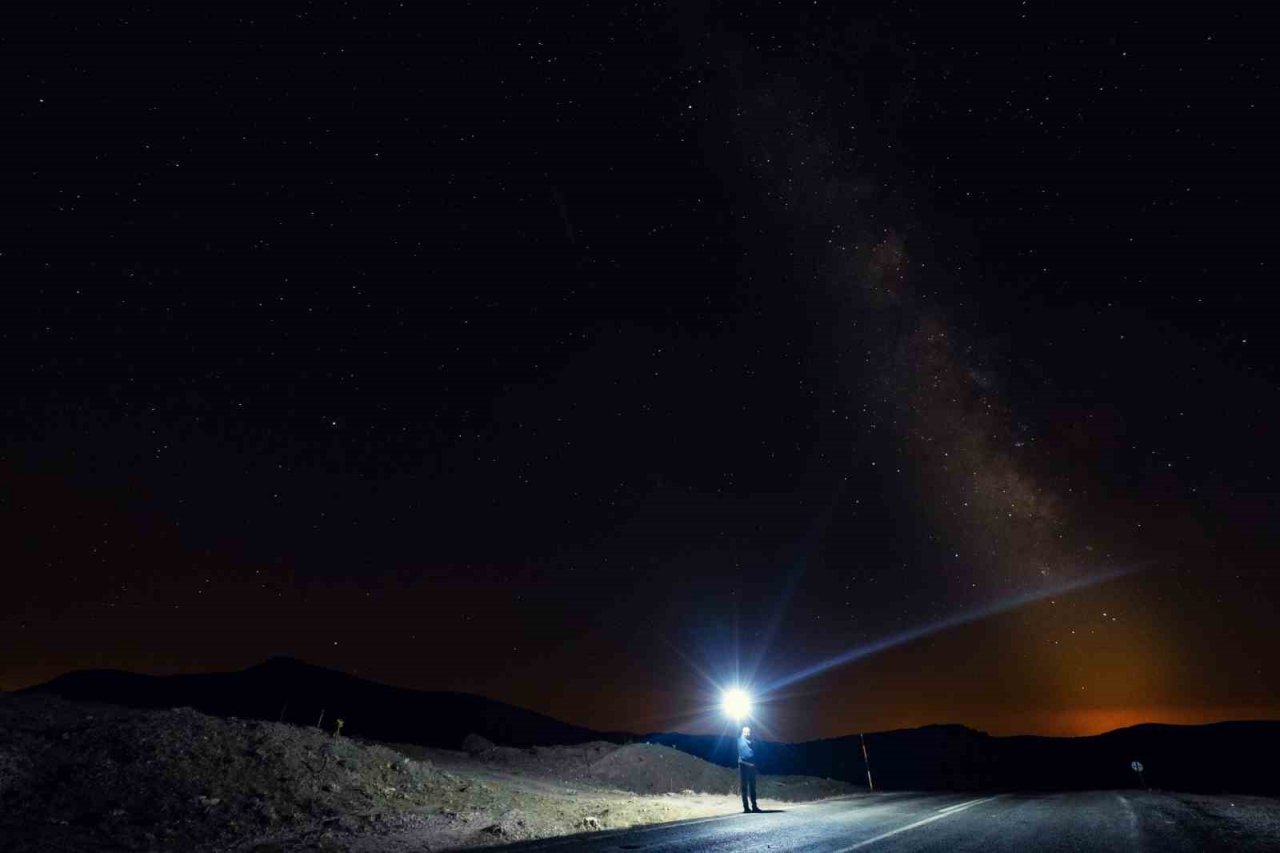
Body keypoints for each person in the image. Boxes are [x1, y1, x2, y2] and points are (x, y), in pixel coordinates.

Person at [737, 725, 760, 813]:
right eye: (746, 732)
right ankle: (746, 808)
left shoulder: (752, 741)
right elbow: (736, 727)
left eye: (749, 732)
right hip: (743, 764)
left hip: (752, 766)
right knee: (744, 787)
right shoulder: (739, 739)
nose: (747, 733)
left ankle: (754, 806)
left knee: (753, 787)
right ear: (742, 732)